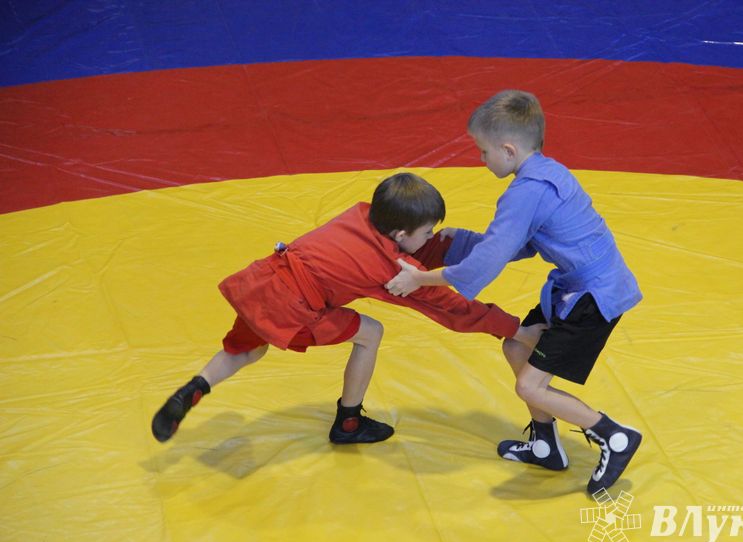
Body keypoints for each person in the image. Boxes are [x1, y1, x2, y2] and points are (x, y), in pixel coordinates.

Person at [152, 173, 543, 444]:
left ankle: (195, 387)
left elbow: (399, 247)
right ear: (402, 234)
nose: (430, 236)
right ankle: (349, 421)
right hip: (296, 307)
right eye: (427, 232)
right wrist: (514, 329)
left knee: (245, 349)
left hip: (263, 283)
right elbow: (452, 309)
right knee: (371, 333)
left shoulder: (360, 214)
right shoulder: (391, 268)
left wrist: (462, 248)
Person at [385, 90, 643, 495]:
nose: (481, 158)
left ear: (508, 149)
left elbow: (487, 263)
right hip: (579, 285)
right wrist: (460, 241)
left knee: (529, 386)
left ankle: (614, 436)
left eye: (483, 151)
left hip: (594, 297)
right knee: (515, 348)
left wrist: (421, 279)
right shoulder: (544, 173)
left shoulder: (525, 192)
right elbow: (515, 244)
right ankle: (545, 446)